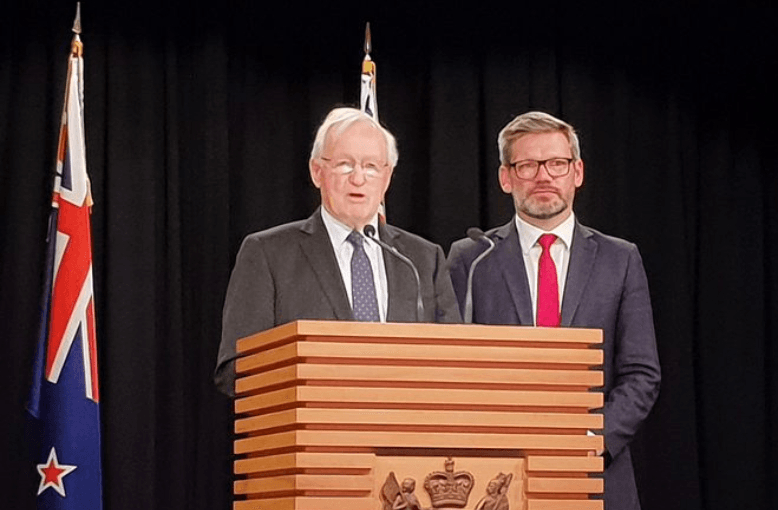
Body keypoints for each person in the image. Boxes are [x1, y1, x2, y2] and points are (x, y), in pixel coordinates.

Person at [447, 111, 660, 510]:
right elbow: (454, 368)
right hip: (496, 477)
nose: (543, 176)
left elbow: (641, 373)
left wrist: (594, 442)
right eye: (527, 165)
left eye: (556, 164)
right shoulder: (473, 258)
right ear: (505, 177)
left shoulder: (620, 259)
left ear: (577, 172)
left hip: (596, 476)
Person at [215, 107, 461, 396]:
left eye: (371, 167)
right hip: (307, 432)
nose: (358, 178)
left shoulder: (421, 259)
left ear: (387, 177)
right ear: (317, 171)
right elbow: (236, 368)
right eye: (345, 164)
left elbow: (454, 360)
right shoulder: (268, 254)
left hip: (403, 435)